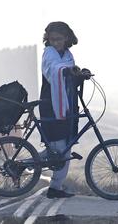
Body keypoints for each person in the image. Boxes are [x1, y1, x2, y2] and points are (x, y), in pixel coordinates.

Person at [39, 21, 91, 199]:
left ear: (67, 38)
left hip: (68, 105)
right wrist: (69, 71)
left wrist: (81, 74)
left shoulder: (68, 55)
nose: (55, 43)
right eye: (52, 39)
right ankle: (51, 184)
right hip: (52, 106)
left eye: (59, 39)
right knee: (60, 148)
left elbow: (70, 77)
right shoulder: (48, 54)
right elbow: (54, 70)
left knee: (64, 147)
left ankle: (55, 186)